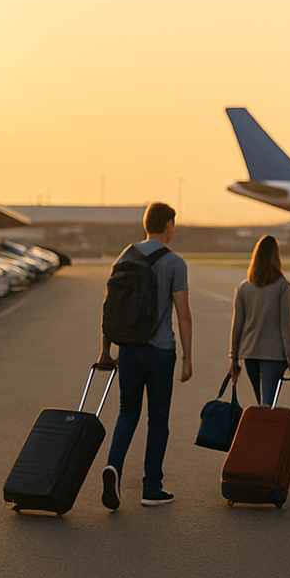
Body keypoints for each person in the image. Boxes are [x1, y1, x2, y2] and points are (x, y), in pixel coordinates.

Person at [97, 201, 192, 509]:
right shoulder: (175, 262)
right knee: (158, 419)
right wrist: (188, 358)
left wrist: (105, 350)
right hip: (161, 351)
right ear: (169, 226)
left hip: (128, 350)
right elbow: (183, 314)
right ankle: (151, 488)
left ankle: (114, 466)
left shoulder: (126, 255)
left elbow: (111, 306)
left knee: (128, 413)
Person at [229, 235, 290, 406]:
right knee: (268, 405)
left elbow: (237, 324)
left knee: (261, 404)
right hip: (274, 354)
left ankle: (261, 432)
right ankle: (265, 433)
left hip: (250, 353)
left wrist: (234, 358)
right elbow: (286, 324)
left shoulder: (244, 287)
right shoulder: (282, 286)